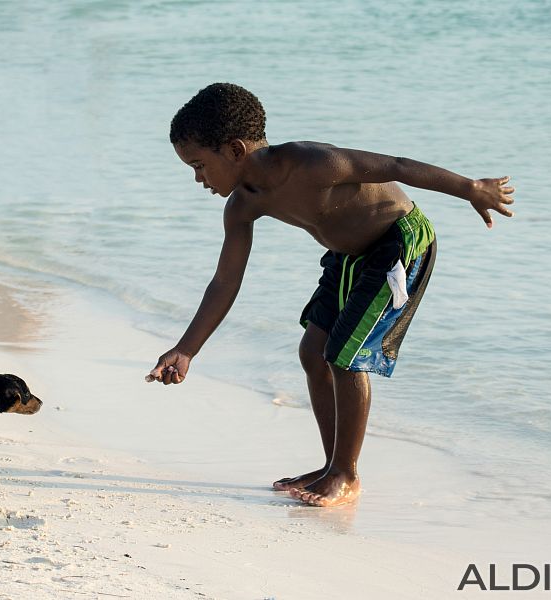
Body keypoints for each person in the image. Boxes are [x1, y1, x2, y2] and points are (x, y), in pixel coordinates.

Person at [146, 82, 515, 507]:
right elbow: (225, 281)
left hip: (399, 243)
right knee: (312, 352)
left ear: (234, 150)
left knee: (344, 354)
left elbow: (396, 165)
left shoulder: (313, 163)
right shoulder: (243, 205)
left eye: (199, 166)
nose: (198, 179)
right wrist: (186, 349)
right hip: (347, 256)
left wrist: (470, 188)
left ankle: (347, 474)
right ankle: (331, 465)